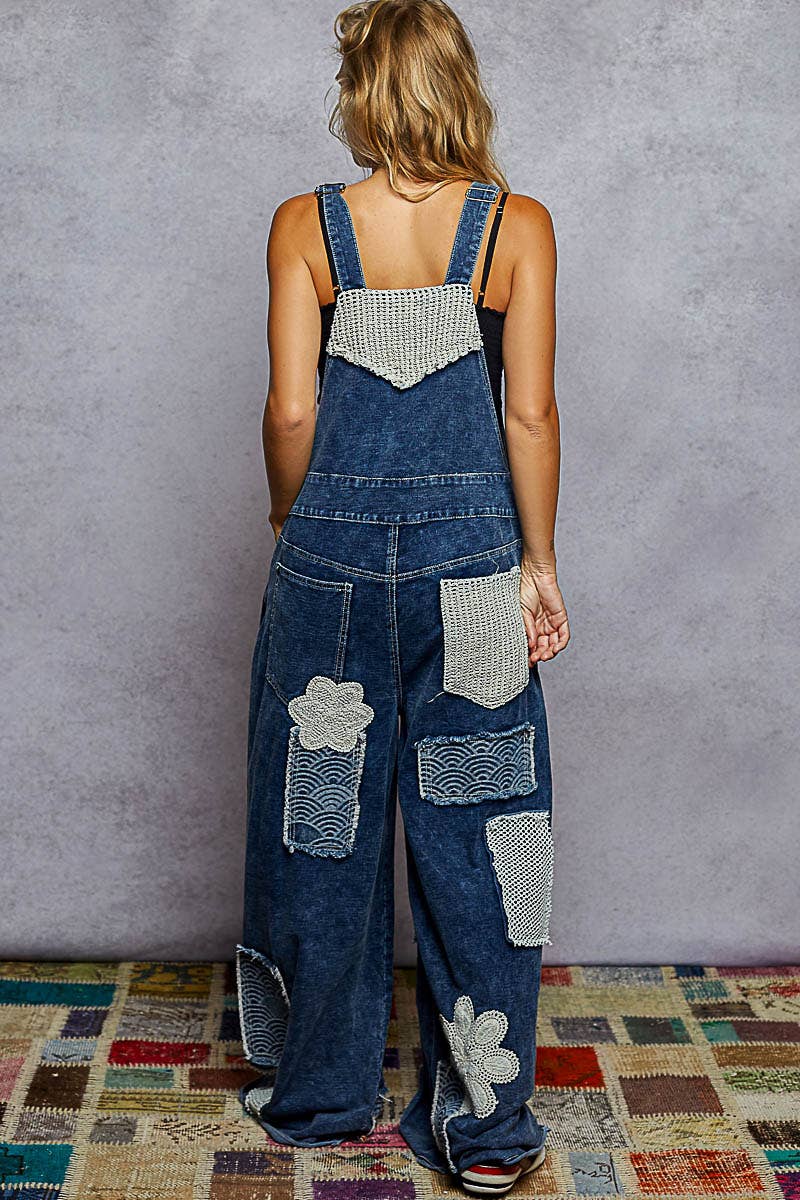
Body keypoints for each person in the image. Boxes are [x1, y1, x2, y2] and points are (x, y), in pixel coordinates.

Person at [236, 0, 570, 1193]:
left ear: (362, 91)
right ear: (456, 82)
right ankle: (485, 1132)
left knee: (317, 824)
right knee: (482, 833)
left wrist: (292, 522)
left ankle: (320, 1097)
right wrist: (536, 565)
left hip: (325, 567)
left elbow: (289, 412)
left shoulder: (304, 226)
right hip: (472, 571)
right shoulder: (514, 226)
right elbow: (525, 414)